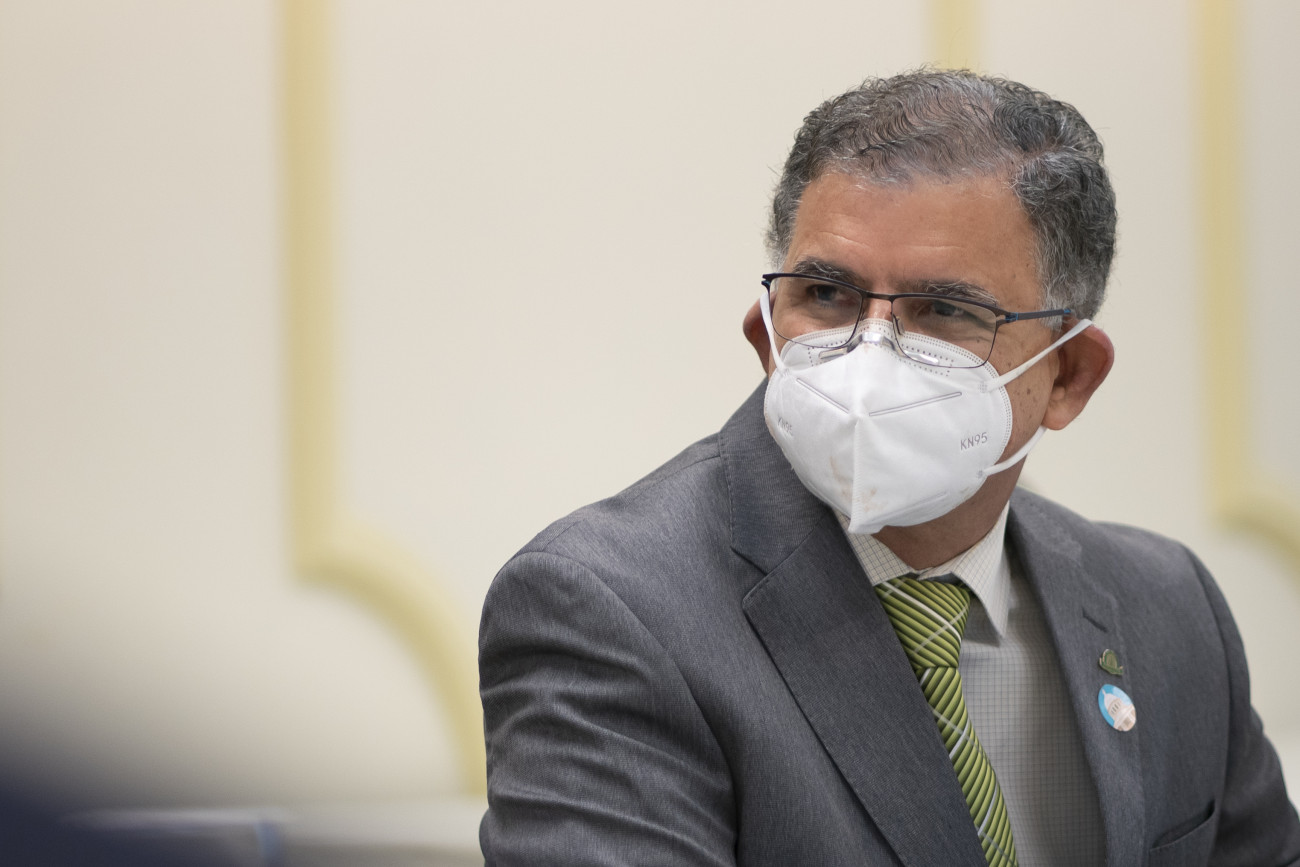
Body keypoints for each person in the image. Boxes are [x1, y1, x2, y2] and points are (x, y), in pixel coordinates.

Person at [477, 69, 1300, 865]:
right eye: (826, 295)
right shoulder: (609, 608)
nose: (870, 355)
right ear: (766, 335)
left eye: (945, 309)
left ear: (1068, 375)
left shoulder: (1167, 607)